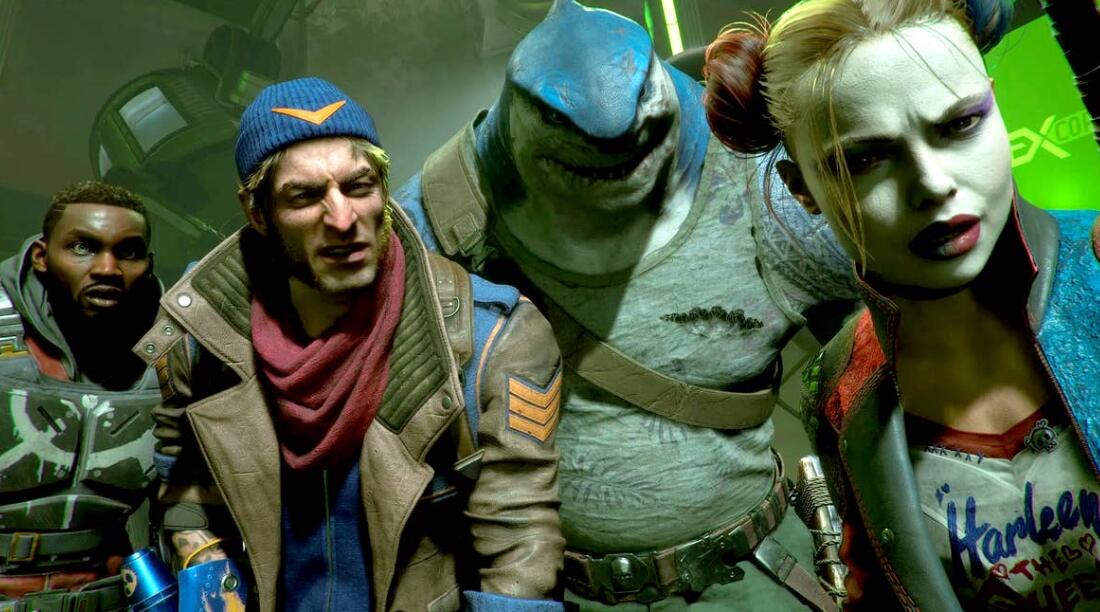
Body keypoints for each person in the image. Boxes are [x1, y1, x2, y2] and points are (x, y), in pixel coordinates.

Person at [395, 2, 858, 609]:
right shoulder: (441, 218)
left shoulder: (764, 186)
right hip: (558, 587)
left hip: (748, 570)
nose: (617, 141)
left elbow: (893, 349)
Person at [704, 0, 1100, 609]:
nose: (933, 183)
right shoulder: (840, 389)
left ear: (997, 108)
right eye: (865, 159)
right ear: (802, 188)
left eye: (961, 124)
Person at [135, 77, 566, 611]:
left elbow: (521, 539)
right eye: (305, 196)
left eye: (359, 187)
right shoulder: (199, 336)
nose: (342, 220)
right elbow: (180, 474)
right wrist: (203, 562)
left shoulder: (491, 336)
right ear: (257, 213)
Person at [0, 181, 162, 610]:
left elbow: (187, 490)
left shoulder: (171, 352)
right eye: (83, 247)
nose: (108, 268)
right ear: (41, 256)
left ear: (148, 264)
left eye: (128, 252)